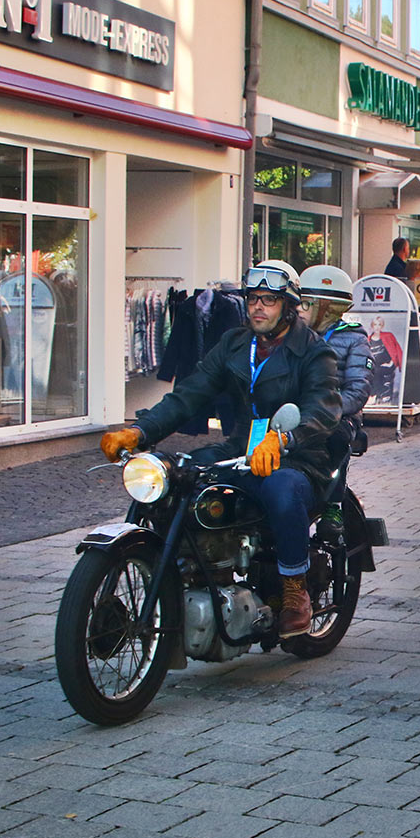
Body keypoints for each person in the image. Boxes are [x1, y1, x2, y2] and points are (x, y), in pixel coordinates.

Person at [98, 261, 341, 638]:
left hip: (298, 457)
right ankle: (182, 567)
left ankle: (295, 590)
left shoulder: (313, 352)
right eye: (253, 298)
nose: (258, 307)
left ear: (288, 305)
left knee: (281, 488)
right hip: (240, 450)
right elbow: (189, 395)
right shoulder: (234, 344)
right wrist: (139, 432)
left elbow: (322, 409)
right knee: (171, 475)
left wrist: (282, 439)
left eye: (270, 300)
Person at [299, 264, 372, 534]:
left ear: (326, 307)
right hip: (296, 412)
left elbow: (358, 391)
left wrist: (325, 410)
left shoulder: (354, 338)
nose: (299, 309)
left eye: (306, 304)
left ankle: (333, 505)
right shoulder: (295, 337)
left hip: (338, 416)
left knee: (336, 438)